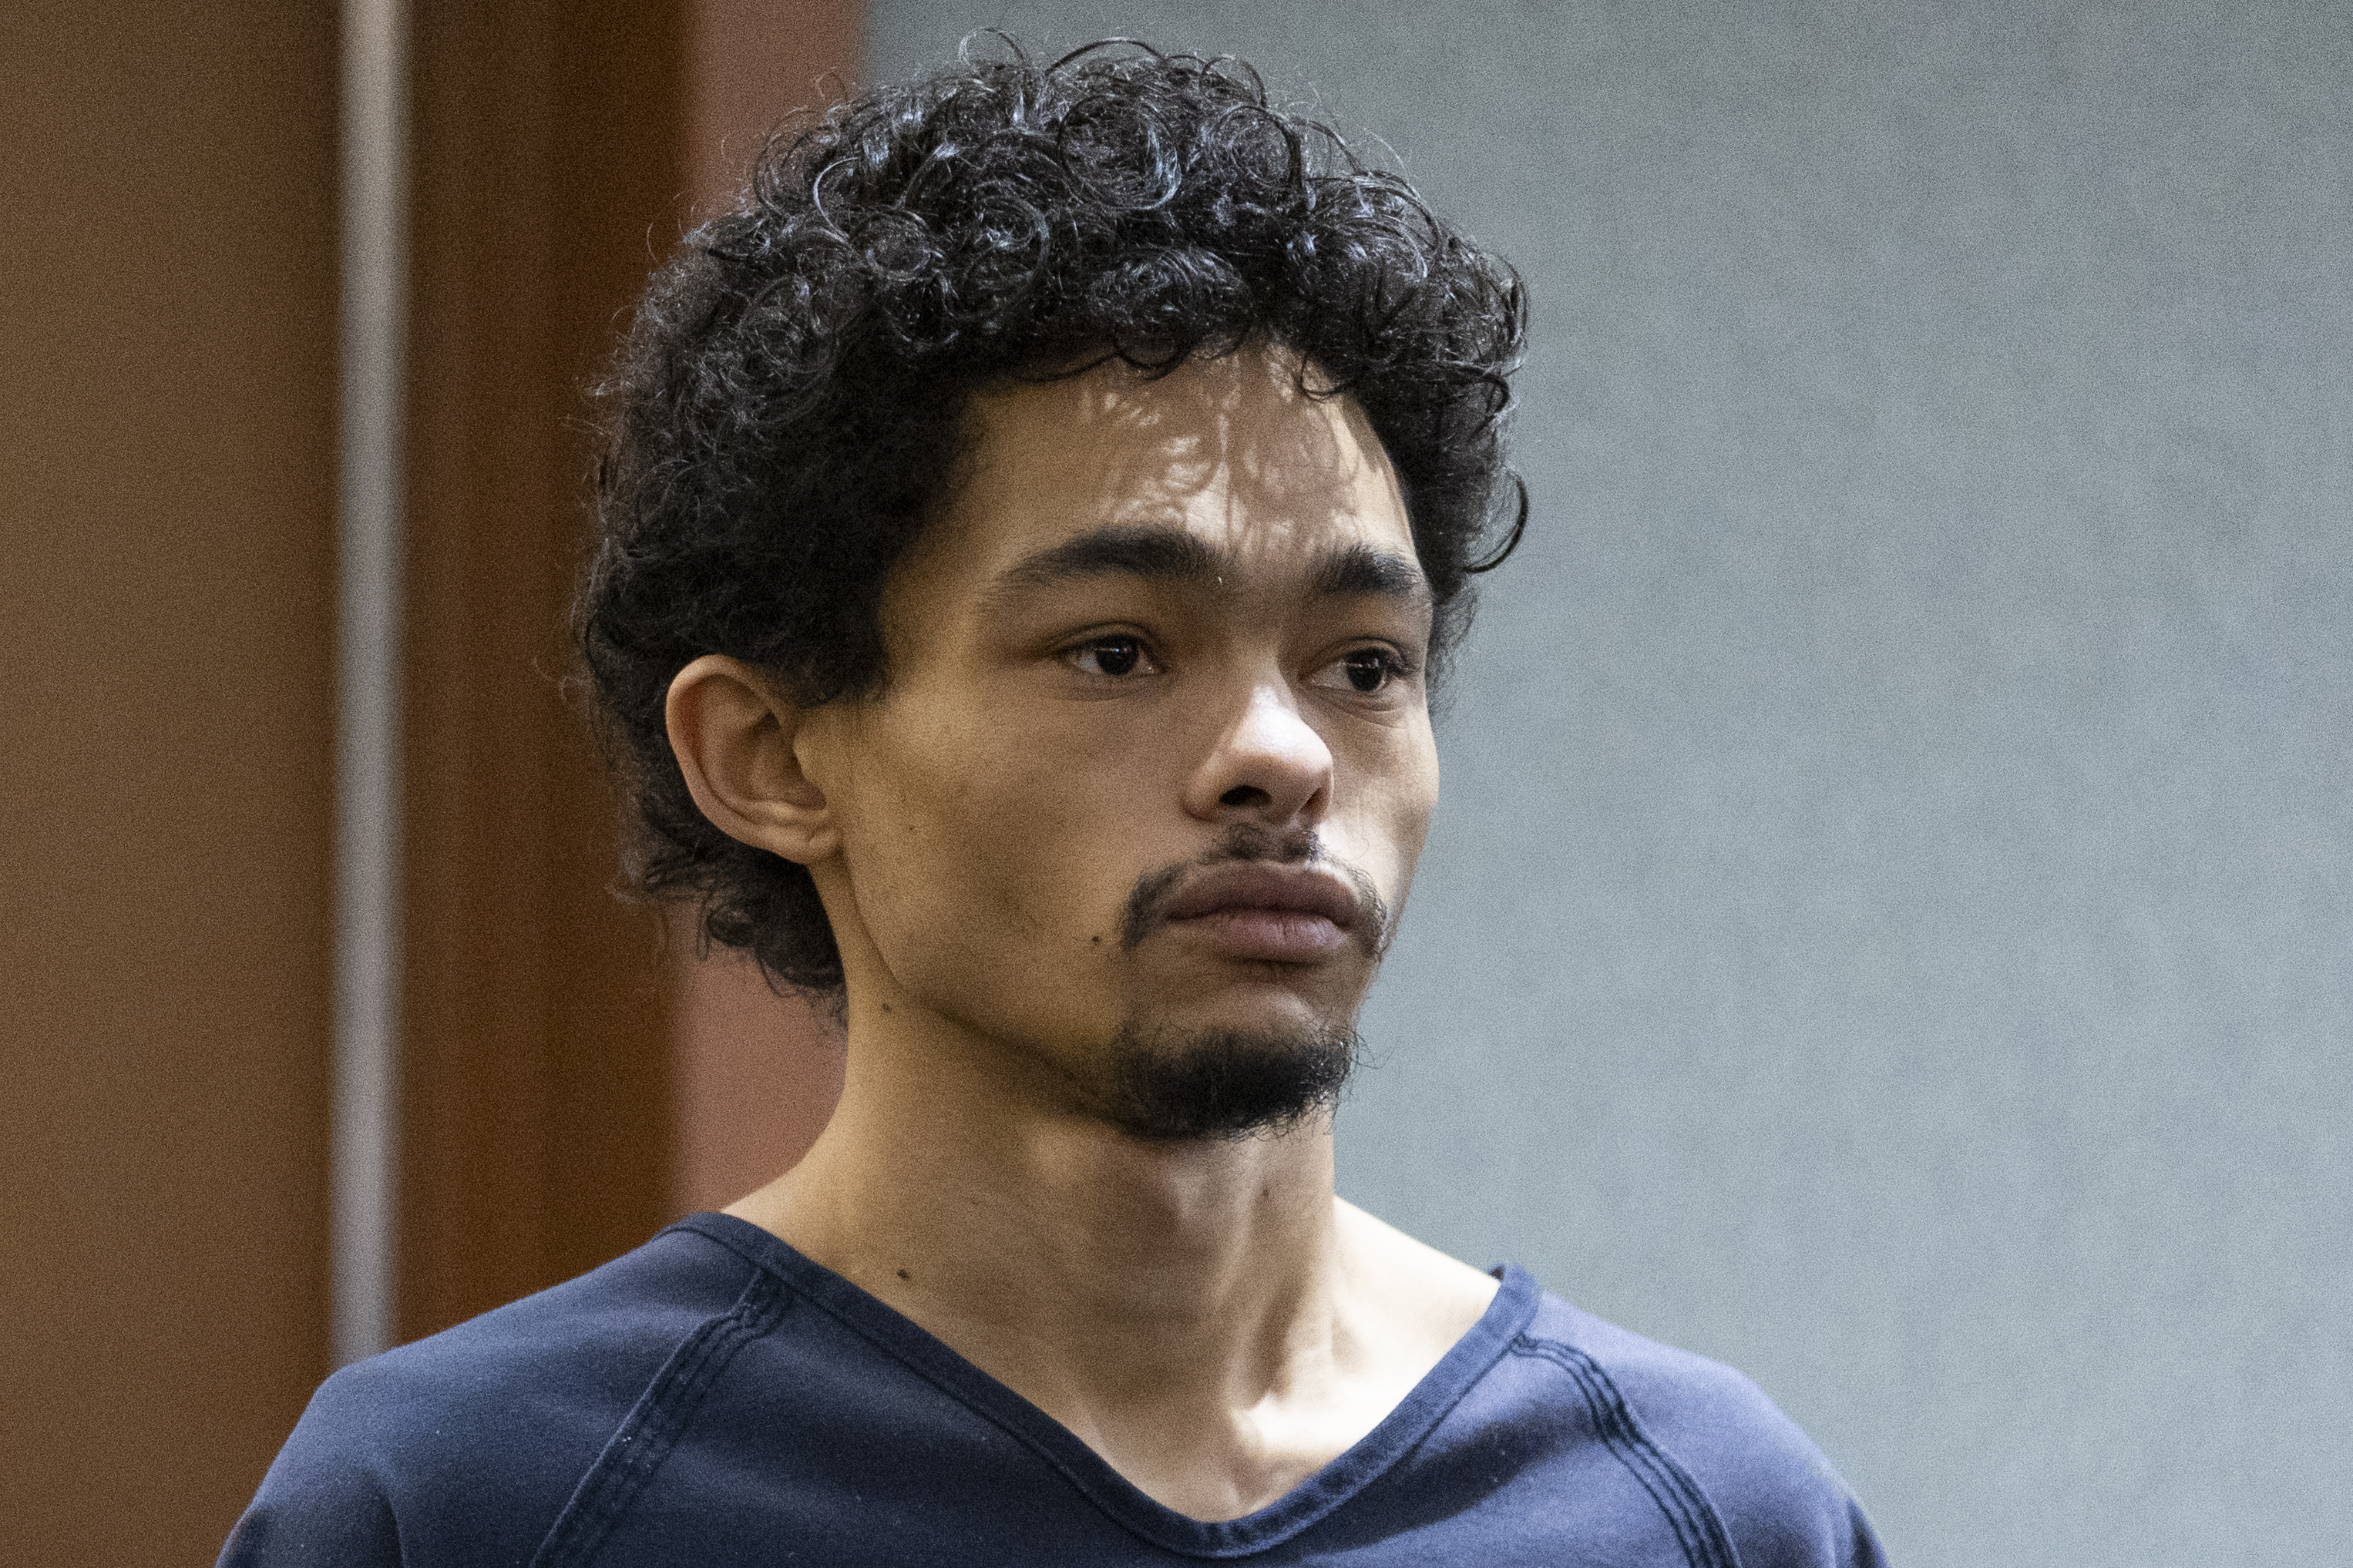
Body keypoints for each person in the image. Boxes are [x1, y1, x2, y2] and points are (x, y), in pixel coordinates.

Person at [224, 41, 1885, 1567]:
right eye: (1116, 651)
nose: (1282, 754)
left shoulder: (1704, 1515)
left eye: (1363, 665)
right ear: (772, 755)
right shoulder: (477, 1505)